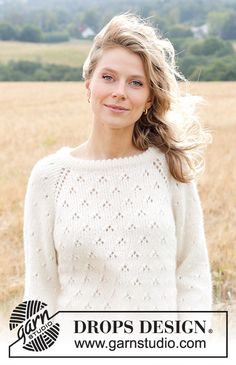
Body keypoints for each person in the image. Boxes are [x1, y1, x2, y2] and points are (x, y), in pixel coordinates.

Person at [23, 13, 212, 314]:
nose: (119, 92)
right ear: (88, 86)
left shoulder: (170, 169)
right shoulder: (49, 177)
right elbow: (39, 291)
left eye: (136, 83)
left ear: (150, 98)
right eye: (108, 77)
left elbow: (193, 275)